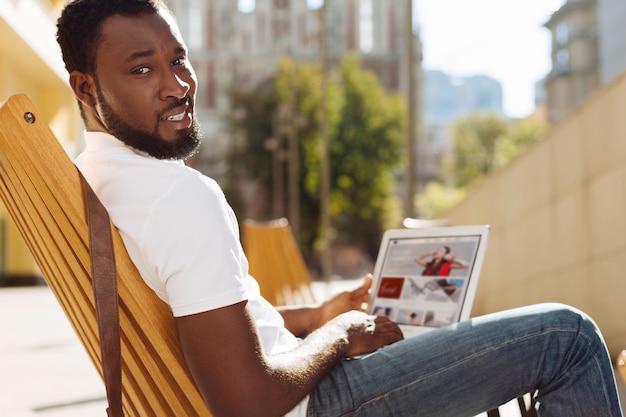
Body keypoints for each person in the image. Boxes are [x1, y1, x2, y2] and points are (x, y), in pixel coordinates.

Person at [56, 1, 624, 416]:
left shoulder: (95, 183)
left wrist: (312, 318)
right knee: (567, 337)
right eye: (141, 69)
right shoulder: (177, 196)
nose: (178, 85)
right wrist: (342, 333)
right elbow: (248, 404)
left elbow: (196, 320)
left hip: (286, 382)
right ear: (85, 89)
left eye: (178, 60)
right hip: (315, 405)